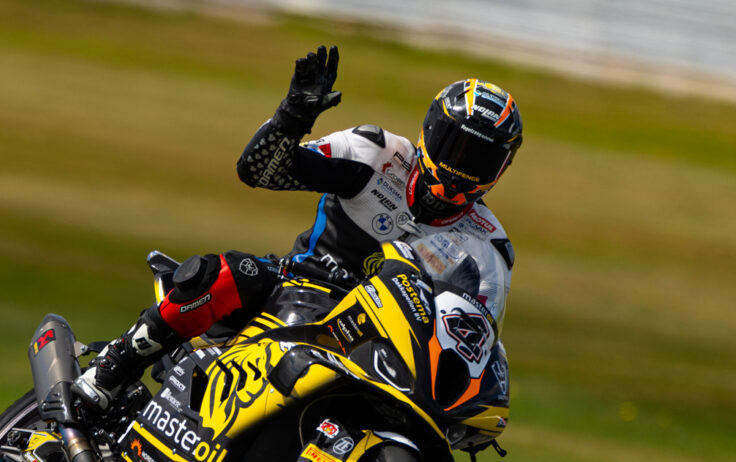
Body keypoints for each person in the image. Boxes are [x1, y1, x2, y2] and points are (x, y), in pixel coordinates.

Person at [76, 45, 523, 410]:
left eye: (480, 160)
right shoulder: (377, 153)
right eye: (454, 147)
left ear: (501, 170)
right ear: (429, 132)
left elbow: (472, 342)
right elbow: (257, 172)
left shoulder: (488, 245)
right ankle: (110, 370)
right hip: (298, 286)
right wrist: (291, 118)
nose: (460, 169)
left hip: (377, 346)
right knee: (225, 274)